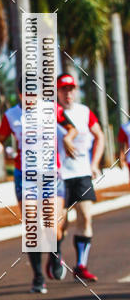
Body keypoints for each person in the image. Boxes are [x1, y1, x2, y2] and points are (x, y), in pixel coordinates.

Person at [0, 78, 76, 294]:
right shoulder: (11, 116)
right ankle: (38, 277)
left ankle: (56, 256)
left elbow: (70, 128)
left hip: (50, 174)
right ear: (19, 94)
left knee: (52, 226)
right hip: (24, 176)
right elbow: (0, 138)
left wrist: (67, 138)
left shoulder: (51, 109)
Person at [57, 73, 104, 282]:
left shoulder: (84, 112)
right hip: (59, 175)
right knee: (61, 223)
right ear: (57, 92)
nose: (68, 93)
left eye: (71, 89)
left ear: (75, 91)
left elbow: (100, 136)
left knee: (85, 217)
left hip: (82, 173)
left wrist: (94, 163)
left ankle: (81, 266)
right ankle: (56, 256)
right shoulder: (51, 113)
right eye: (64, 89)